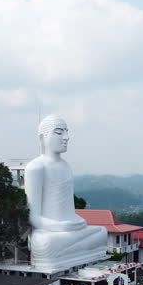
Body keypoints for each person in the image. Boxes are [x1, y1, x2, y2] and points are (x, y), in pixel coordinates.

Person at [24, 115, 107, 269]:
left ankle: (69, 250)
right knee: (45, 244)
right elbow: (33, 216)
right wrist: (61, 226)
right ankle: (71, 250)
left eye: (66, 132)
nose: (66, 137)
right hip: (51, 232)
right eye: (59, 132)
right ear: (43, 138)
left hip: (70, 230)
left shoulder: (65, 166)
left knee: (102, 231)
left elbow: (69, 209)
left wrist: (77, 221)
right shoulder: (36, 167)